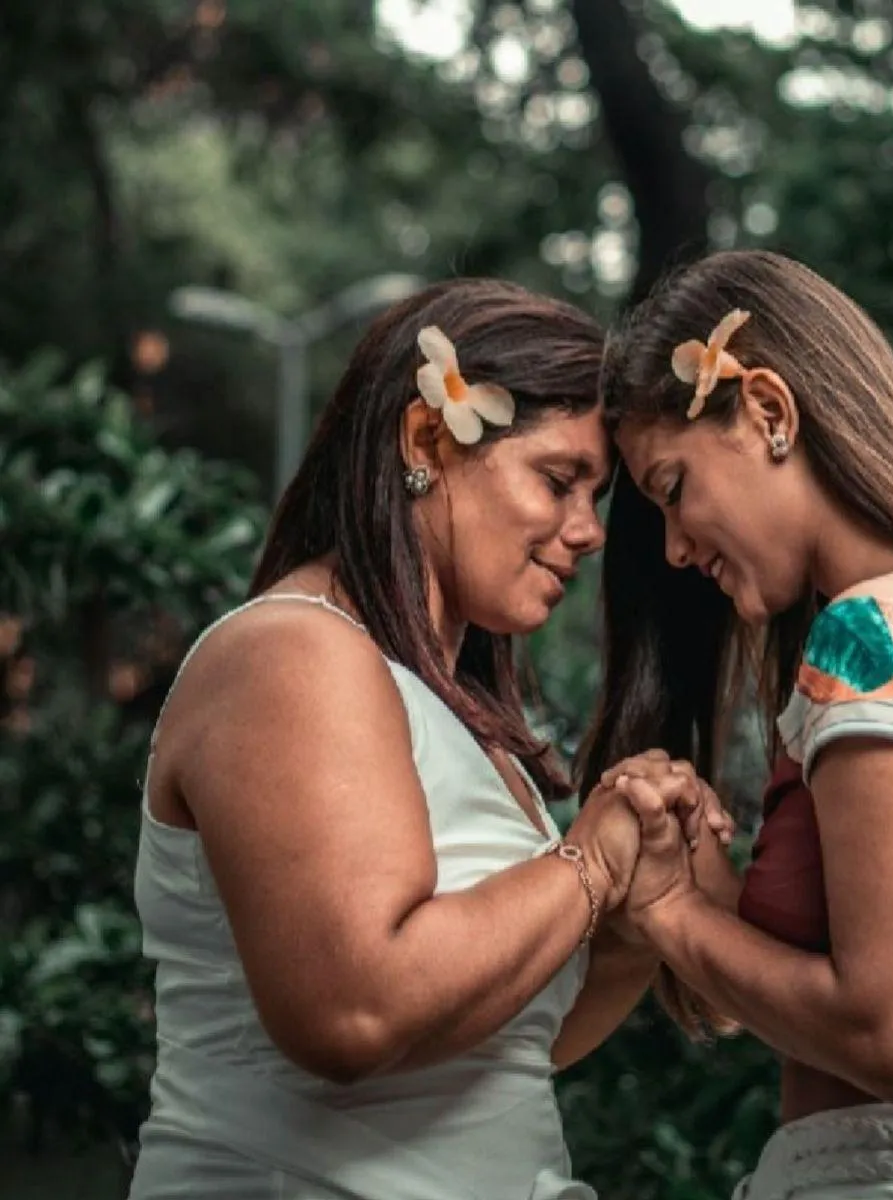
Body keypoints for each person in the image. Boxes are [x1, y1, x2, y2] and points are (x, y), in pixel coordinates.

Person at [127, 278, 714, 1200]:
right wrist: (588, 866)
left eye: (596, 497)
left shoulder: (454, 713)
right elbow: (355, 1014)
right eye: (558, 481)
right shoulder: (295, 652)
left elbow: (509, 1037)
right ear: (427, 441)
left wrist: (634, 917)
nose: (588, 532)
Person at [579, 249, 893, 1198]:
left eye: (674, 490)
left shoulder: (881, 636)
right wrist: (702, 881)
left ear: (769, 412)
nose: (676, 548)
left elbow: (891, 1036)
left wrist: (665, 912)